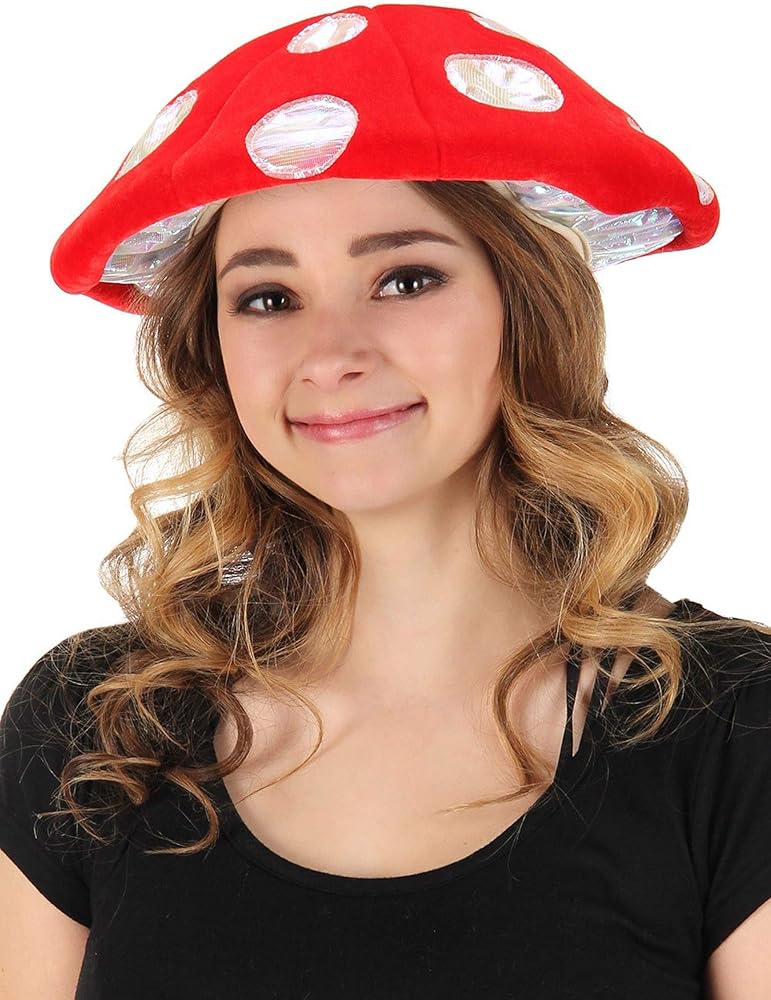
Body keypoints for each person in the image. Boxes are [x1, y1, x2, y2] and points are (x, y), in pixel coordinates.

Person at [2, 5, 770, 998]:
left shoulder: (732, 727)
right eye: (268, 296)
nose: (331, 354)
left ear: (526, 308)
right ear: (214, 348)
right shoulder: (92, 726)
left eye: (406, 277)